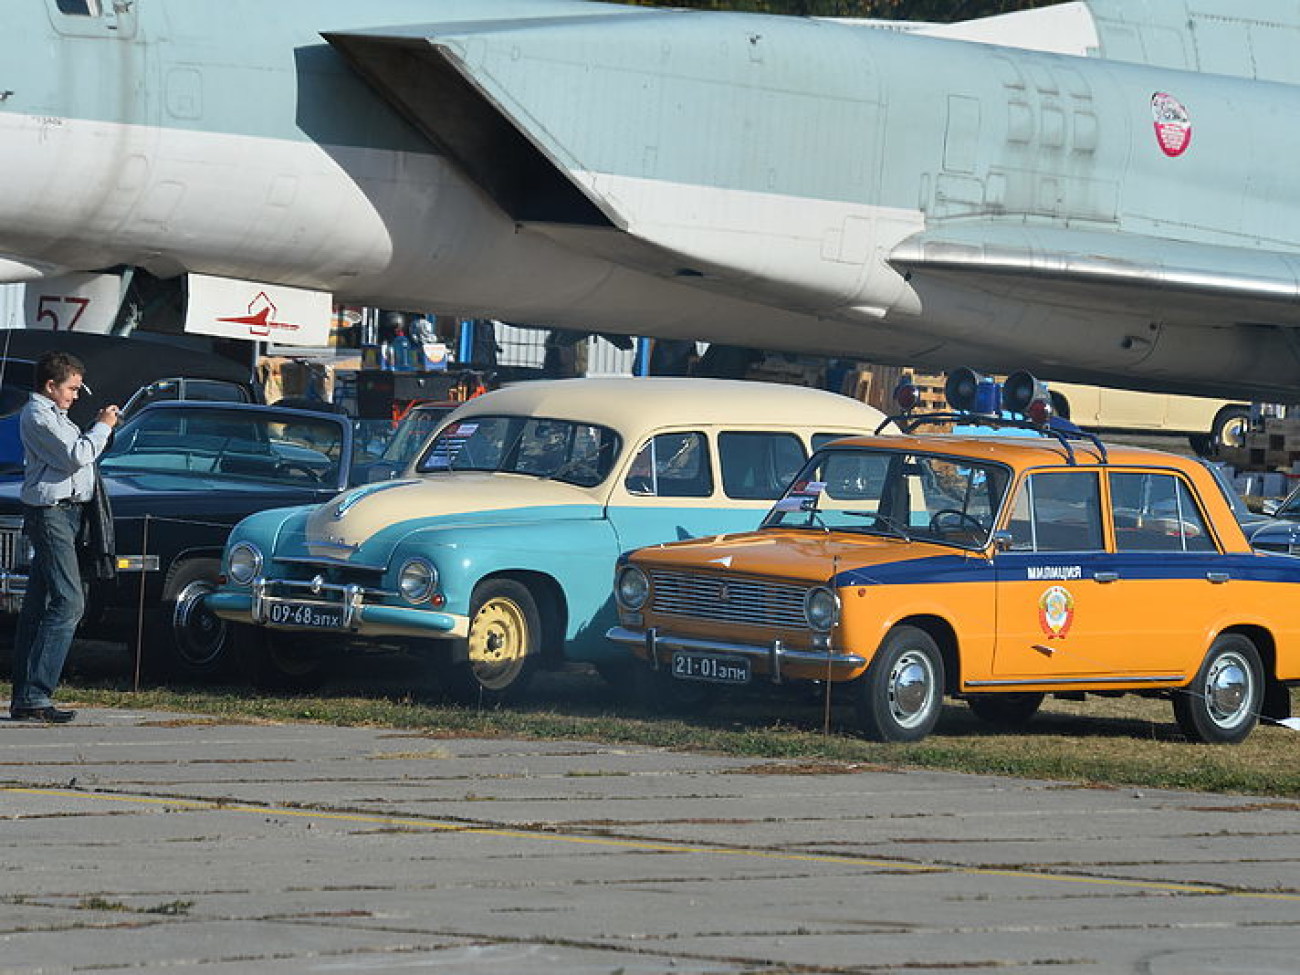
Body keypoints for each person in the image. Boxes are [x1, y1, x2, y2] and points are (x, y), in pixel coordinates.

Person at [9, 351, 119, 723]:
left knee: (39, 607)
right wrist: (102, 426)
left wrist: (98, 428)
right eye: (71, 388)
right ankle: (36, 694)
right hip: (51, 515)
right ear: (50, 385)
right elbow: (75, 456)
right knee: (70, 602)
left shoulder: (59, 418)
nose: (75, 395)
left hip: (69, 514)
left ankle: (25, 696)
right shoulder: (38, 415)